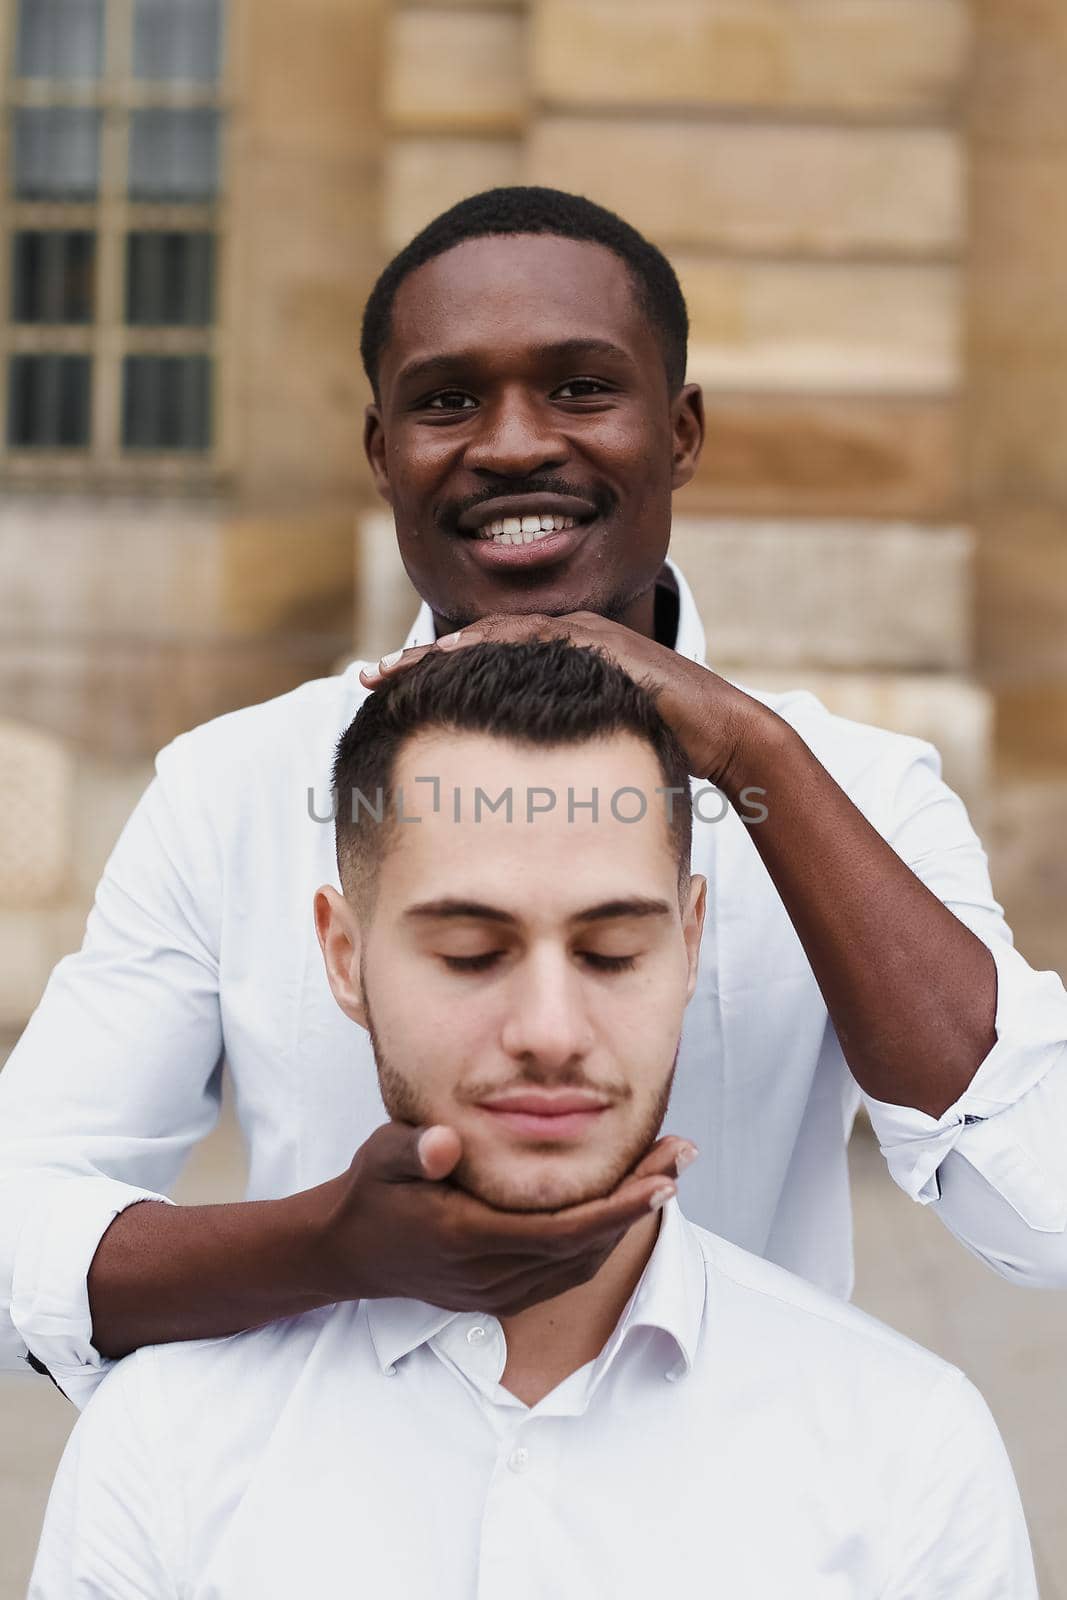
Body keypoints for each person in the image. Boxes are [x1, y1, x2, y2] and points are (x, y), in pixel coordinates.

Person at [2, 187, 1066, 1411]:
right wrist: (329, 1248)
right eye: (447, 399)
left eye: (579, 388)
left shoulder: (849, 789)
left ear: (679, 431)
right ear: (378, 448)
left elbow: (1037, 1208)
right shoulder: (232, 789)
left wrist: (745, 751)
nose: (510, 444)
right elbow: (15, 1229)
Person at [27, 643, 1038, 1599]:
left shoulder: (906, 1457)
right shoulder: (159, 1451)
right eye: (469, 952)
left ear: (689, 943)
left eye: (610, 953)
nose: (549, 1033)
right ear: (342, 955)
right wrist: (328, 1245)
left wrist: (750, 745)